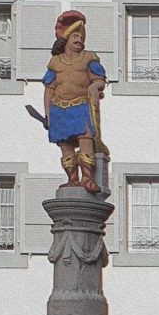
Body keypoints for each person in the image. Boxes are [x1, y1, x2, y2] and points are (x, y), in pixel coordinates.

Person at [42, 10, 107, 193]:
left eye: (81, 37)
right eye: (75, 36)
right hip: (59, 109)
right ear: (67, 39)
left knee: (86, 141)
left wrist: (95, 87)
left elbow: (99, 79)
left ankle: (87, 178)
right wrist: (47, 114)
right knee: (66, 146)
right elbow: (49, 89)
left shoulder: (89, 58)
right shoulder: (55, 62)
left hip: (81, 106)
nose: (79, 40)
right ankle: (73, 179)